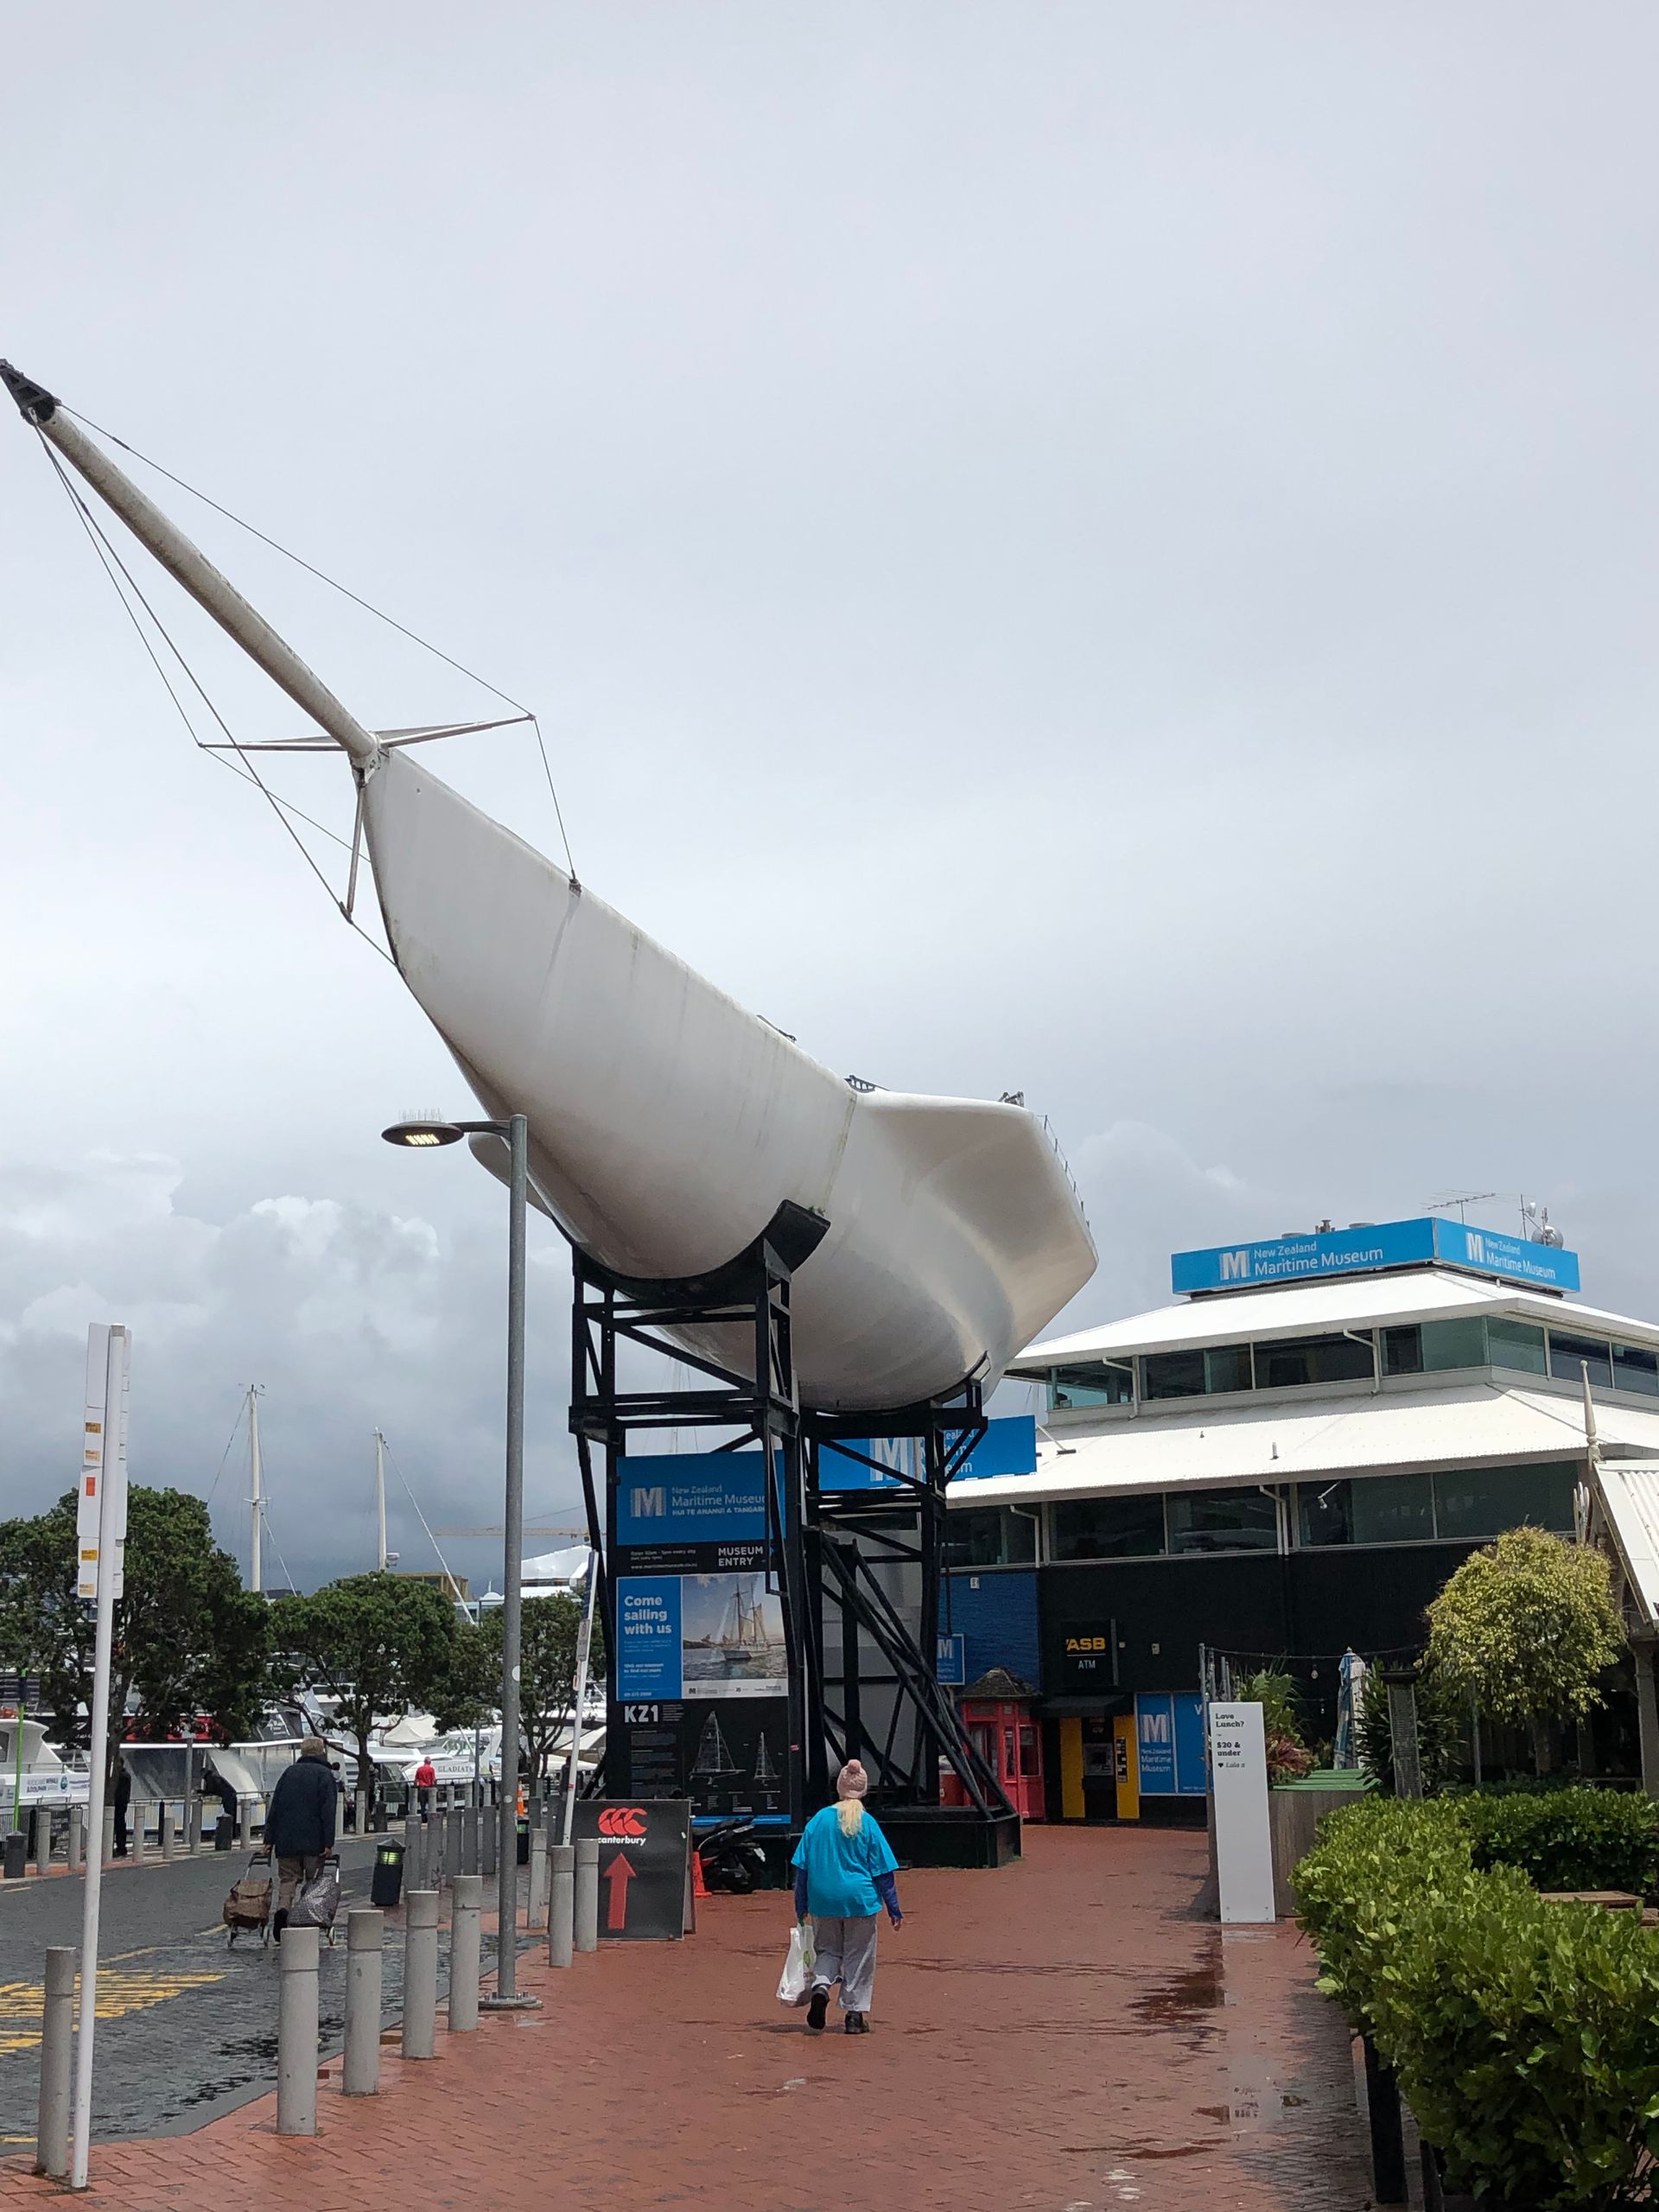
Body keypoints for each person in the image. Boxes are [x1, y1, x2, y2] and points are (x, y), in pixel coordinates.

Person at [790, 1759, 901, 2034]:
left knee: (826, 1951)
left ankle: (821, 1987)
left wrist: (800, 1905)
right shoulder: (868, 1823)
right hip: (860, 1900)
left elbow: (802, 1869)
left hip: (822, 1899)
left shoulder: (818, 1821)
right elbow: (883, 1872)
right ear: (863, 1791)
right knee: (859, 1956)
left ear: (838, 1787)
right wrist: (894, 1908)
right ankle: (854, 2015)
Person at [262, 1736, 337, 1941]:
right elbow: (328, 1812)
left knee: (287, 1880)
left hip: (286, 1840)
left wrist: (269, 1839)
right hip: (314, 1841)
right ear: (321, 1752)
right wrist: (328, 1842)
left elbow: (275, 1808)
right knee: (313, 1883)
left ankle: (283, 1910)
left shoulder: (288, 1773)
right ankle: (304, 1919)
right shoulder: (325, 1775)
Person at [414, 1757, 437, 1825]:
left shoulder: (419, 1769)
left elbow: (416, 1780)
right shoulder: (431, 1769)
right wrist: (435, 1787)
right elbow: (434, 1780)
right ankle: (431, 1818)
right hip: (429, 1788)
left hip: (421, 1788)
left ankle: (424, 1819)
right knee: (431, 1804)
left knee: (422, 1804)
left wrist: (415, 1788)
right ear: (429, 1762)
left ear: (424, 1761)